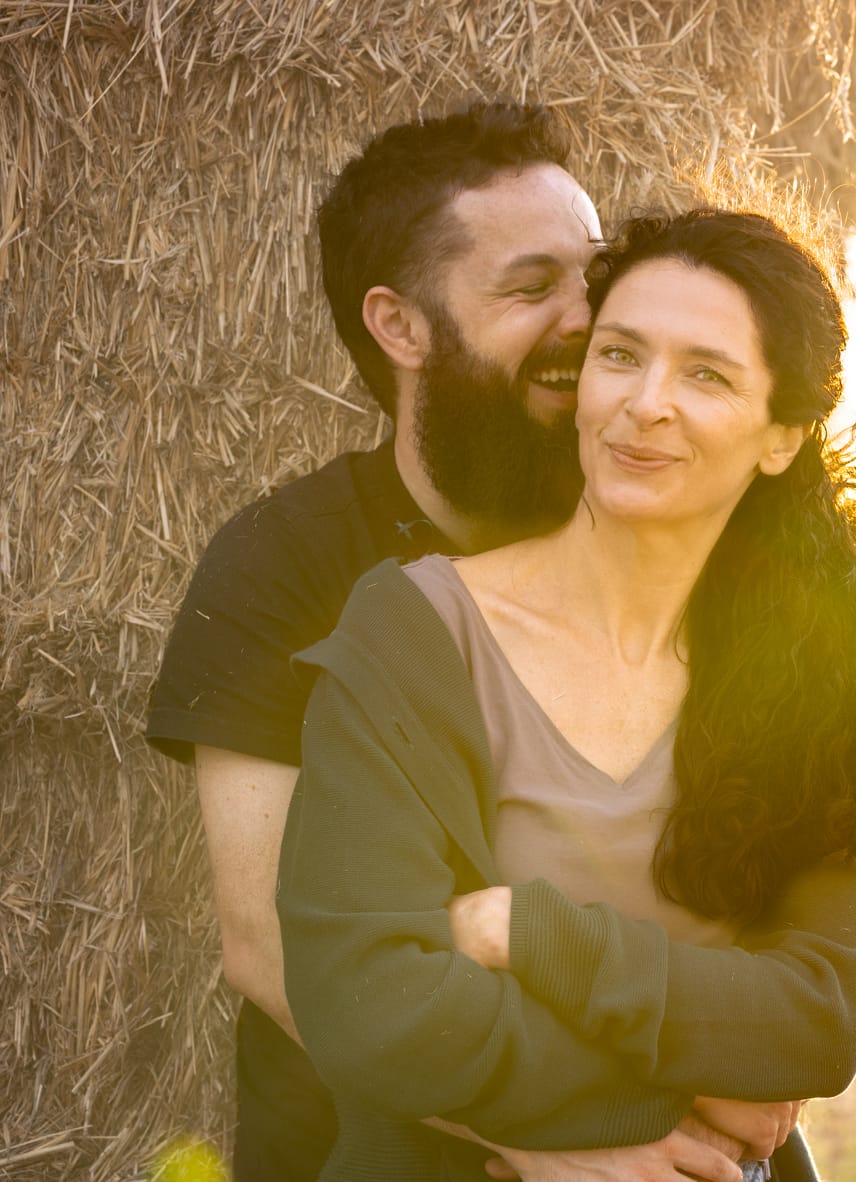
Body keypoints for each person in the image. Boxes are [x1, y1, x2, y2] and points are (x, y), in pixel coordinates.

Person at [275, 209, 856, 1180]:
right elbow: (363, 1002)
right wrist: (640, 1104)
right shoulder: (416, 630)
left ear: (780, 437)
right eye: (619, 355)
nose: (645, 402)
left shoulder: (822, 671)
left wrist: (530, 935)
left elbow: (818, 1024)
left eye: (705, 374)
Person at [146, 100, 604, 1180]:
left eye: (597, 276)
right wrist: (551, 1139)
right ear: (400, 327)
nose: (589, 322)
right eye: (533, 288)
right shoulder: (281, 564)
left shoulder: (652, 544)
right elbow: (269, 948)